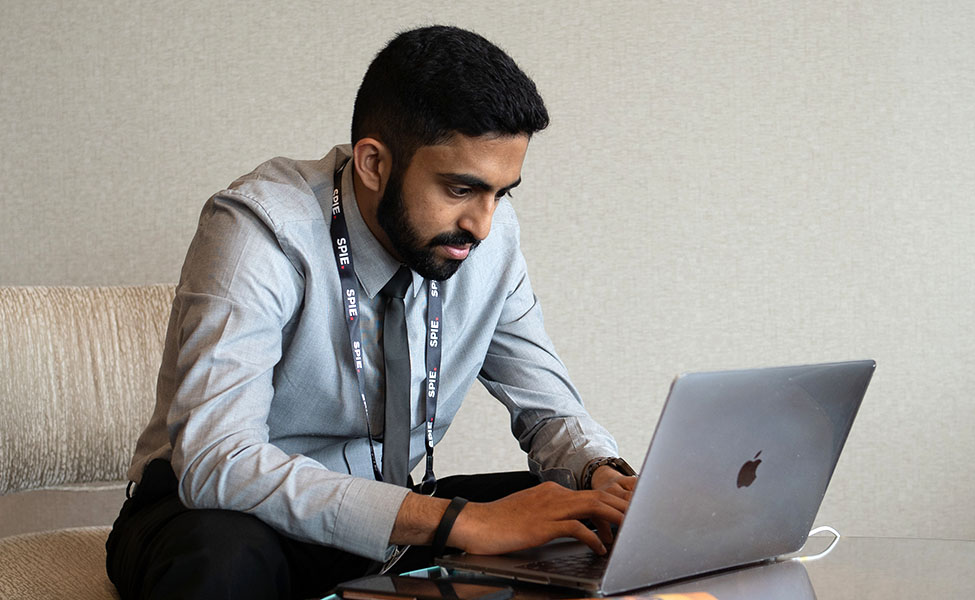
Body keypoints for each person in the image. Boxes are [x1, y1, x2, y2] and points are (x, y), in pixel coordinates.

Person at [106, 25, 636, 599]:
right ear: (373, 163)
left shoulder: (488, 240)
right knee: (221, 561)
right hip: (220, 516)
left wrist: (599, 474)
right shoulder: (259, 228)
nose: (482, 225)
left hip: (388, 517)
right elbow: (217, 460)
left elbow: (549, 410)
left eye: (501, 193)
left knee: (587, 523)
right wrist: (460, 523)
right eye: (460, 190)